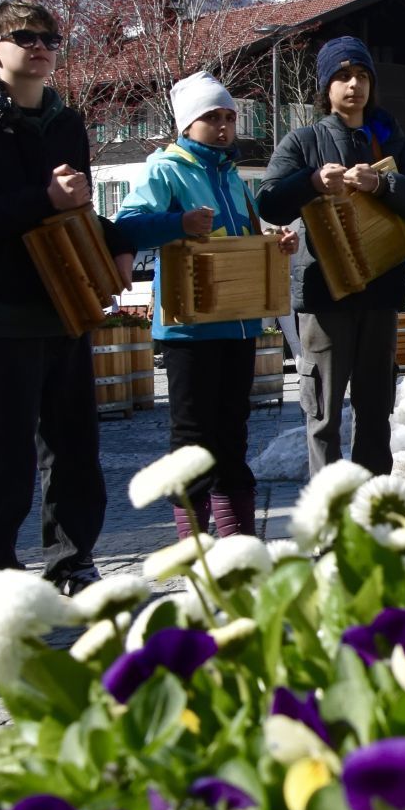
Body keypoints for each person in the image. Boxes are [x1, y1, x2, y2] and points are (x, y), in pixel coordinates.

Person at [0, 0, 135, 590]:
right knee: (6, 453)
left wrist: (117, 245)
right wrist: (43, 200)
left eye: (51, 39)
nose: (41, 46)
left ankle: (73, 560)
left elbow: (77, 209)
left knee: (75, 446)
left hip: (68, 304)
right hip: (4, 309)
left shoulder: (66, 120)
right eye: (25, 37)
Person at [118, 72, 300, 539]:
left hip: (238, 324)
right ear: (186, 124)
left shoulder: (234, 177)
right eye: (210, 117)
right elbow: (127, 225)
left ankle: (236, 539)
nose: (223, 126)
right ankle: (192, 542)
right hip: (189, 329)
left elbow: (242, 240)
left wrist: (273, 243)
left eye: (228, 117)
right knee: (193, 437)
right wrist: (179, 221)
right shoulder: (165, 169)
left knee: (233, 436)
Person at [258, 36, 405, 476]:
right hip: (325, 296)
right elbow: (268, 203)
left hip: (381, 294)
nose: (353, 84)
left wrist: (383, 184)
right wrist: (313, 182)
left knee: (376, 411)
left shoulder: (388, 139)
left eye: (361, 75)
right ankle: (331, 518)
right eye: (342, 76)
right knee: (321, 414)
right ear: (326, 87)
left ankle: (373, 510)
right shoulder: (303, 141)